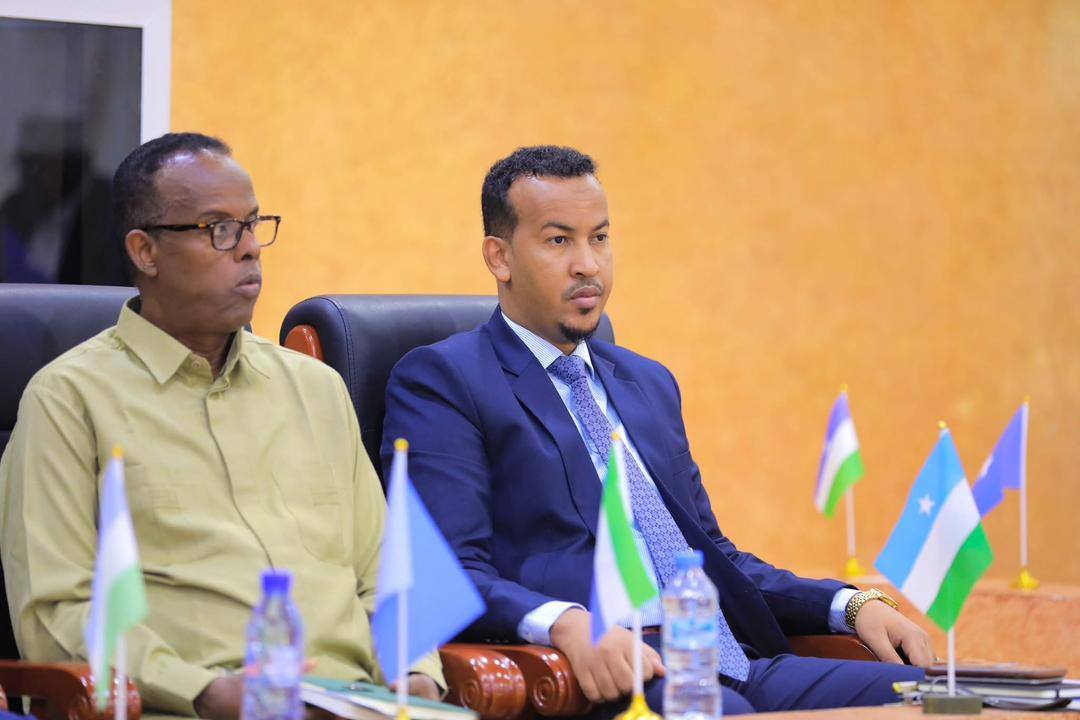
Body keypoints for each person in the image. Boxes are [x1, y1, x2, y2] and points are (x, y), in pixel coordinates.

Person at [381, 145, 930, 715]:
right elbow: (447, 571)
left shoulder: (648, 383)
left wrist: (847, 605)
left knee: (937, 697)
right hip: (607, 672)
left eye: (599, 238)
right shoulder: (446, 380)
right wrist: (565, 623)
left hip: (727, 658)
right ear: (500, 257)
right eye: (559, 240)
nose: (588, 265)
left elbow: (710, 556)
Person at [0, 133, 441, 719]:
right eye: (219, 229)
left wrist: (418, 671)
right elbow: (58, 613)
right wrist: (204, 692)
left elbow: (385, 567)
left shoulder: (316, 389)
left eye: (253, 225)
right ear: (145, 251)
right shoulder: (69, 401)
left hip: (357, 704)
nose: (250, 249)